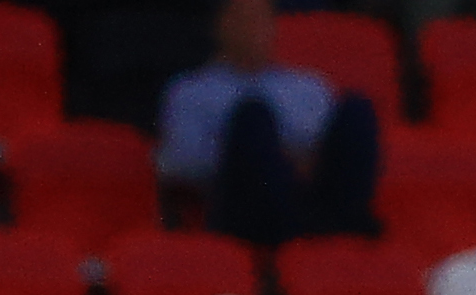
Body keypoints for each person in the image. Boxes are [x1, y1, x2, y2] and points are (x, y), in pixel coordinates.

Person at [160, 0, 378, 247]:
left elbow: (332, 151)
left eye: (261, 18)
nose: (254, 27)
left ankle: (346, 228)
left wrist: (295, 160)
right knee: (253, 118)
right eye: (243, 18)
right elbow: (180, 164)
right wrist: (268, 155)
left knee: (357, 109)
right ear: (220, 26)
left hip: (312, 196)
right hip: (242, 205)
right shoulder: (190, 92)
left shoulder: (309, 87)